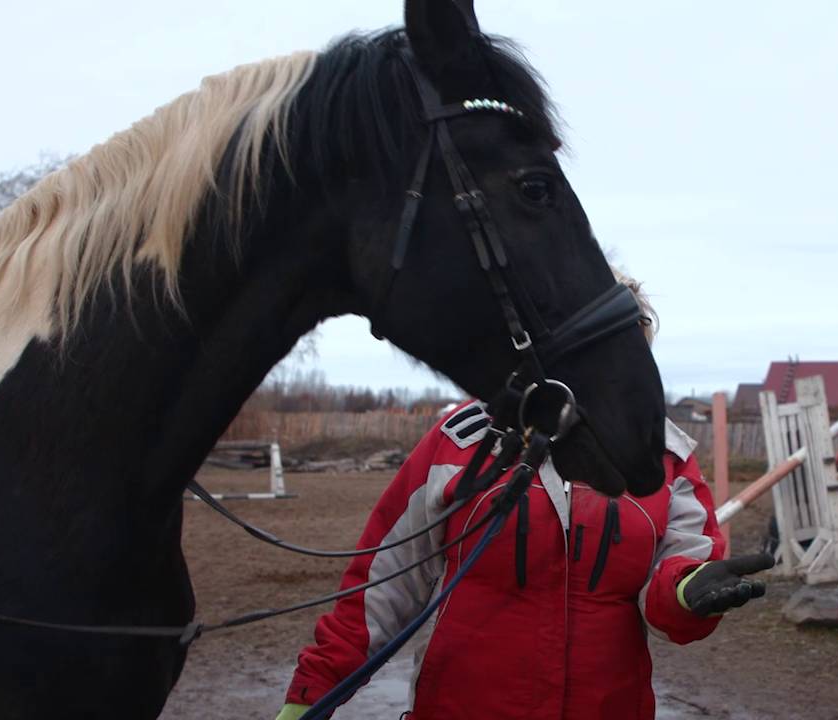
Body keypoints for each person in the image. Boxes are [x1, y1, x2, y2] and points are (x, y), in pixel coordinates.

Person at [276, 275, 773, 720]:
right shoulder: (464, 442)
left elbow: (672, 586)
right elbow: (379, 590)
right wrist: (308, 698)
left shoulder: (662, 457)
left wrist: (689, 593)